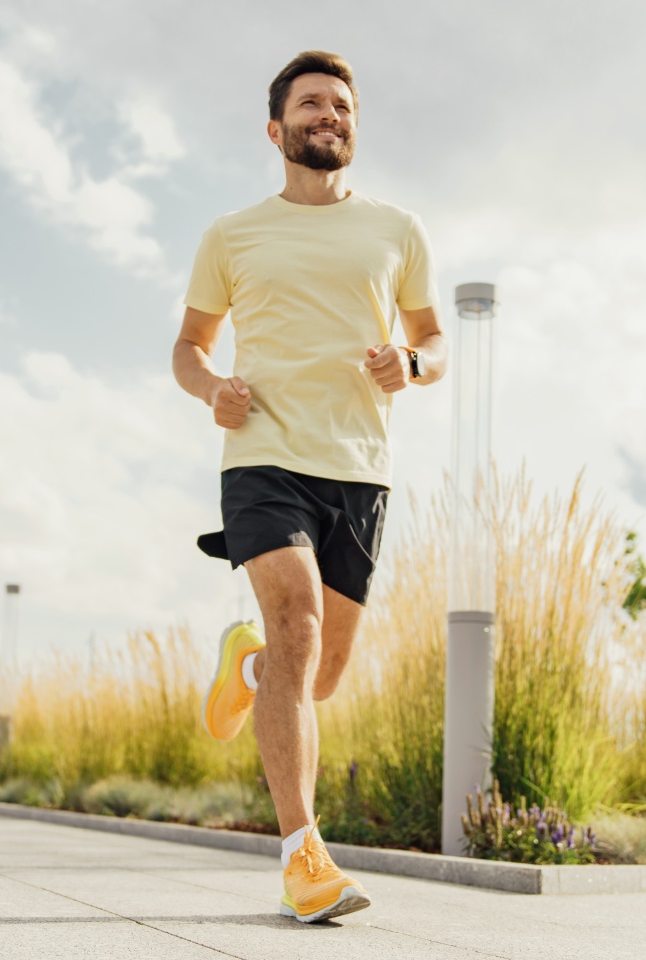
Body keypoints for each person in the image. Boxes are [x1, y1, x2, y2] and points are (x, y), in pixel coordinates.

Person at [172, 50, 446, 923]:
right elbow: (189, 347)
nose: (330, 114)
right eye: (312, 103)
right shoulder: (231, 235)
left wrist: (411, 362)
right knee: (297, 614)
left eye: (341, 104)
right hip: (262, 456)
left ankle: (246, 664)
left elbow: (435, 341)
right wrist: (213, 388)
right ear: (276, 129)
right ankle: (303, 859)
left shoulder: (398, 230)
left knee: (316, 674)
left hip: (359, 470)